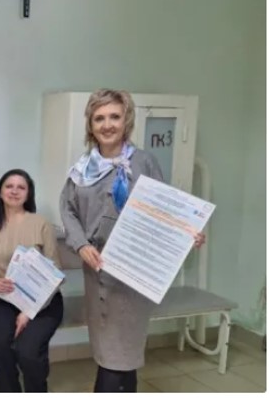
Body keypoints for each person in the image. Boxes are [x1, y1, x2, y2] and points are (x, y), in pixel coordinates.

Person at [59, 88, 206, 392]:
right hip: (97, 271)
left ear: (126, 120)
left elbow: (164, 209)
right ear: (90, 125)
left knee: (122, 354)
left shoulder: (144, 162)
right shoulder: (82, 169)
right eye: (99, 118)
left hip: (133, 273)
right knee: (111, 355)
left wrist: (186, 233)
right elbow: (68, 210)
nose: (107, 124)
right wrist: (81, 244)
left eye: (114, 116)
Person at [0, 169, 64, 392]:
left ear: (28, 194)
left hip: (43, 301)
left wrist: (29, 311)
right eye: (9, 186)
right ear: (0, 192)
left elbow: (55, 273)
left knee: (28, 352)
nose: (14, 191)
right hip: (6, 300)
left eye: (21, 187)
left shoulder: (41, 224)